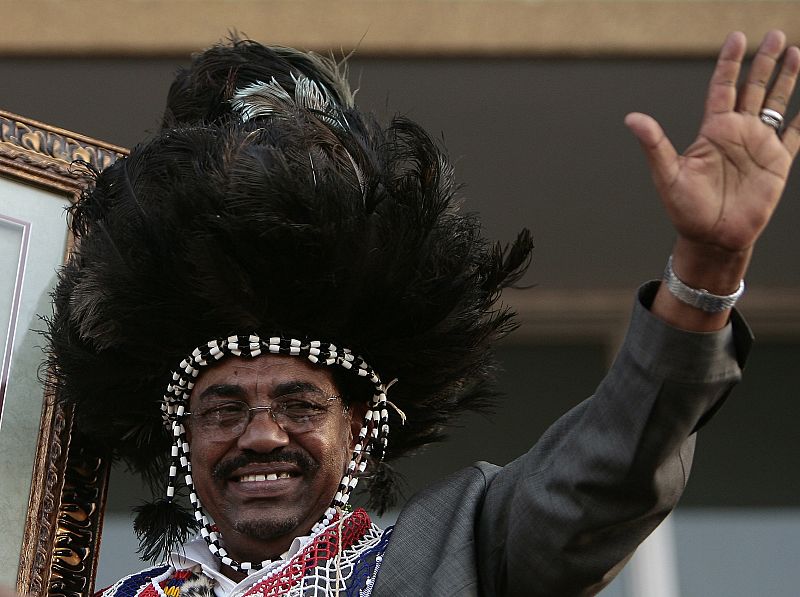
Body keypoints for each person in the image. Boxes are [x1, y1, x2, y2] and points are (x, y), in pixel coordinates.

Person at [45, 30, 799, 596]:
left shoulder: (460, 555)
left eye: (300, 402)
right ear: (184, 434)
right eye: (223, 409)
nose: (263, 433)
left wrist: (706, 269)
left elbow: (608, 470)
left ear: (363, 425)